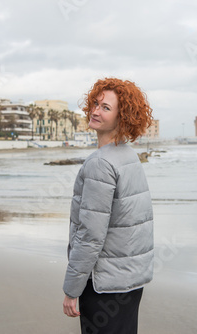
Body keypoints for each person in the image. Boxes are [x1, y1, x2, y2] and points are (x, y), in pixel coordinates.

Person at [62, 78, 154, 333]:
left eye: (105, 107)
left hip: (105, 286)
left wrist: (72, 289)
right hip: (130, 281)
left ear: (122, 117)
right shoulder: (128, 156)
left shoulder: (100, 164)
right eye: (95, 103)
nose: (95, 110)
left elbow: (91, 235)